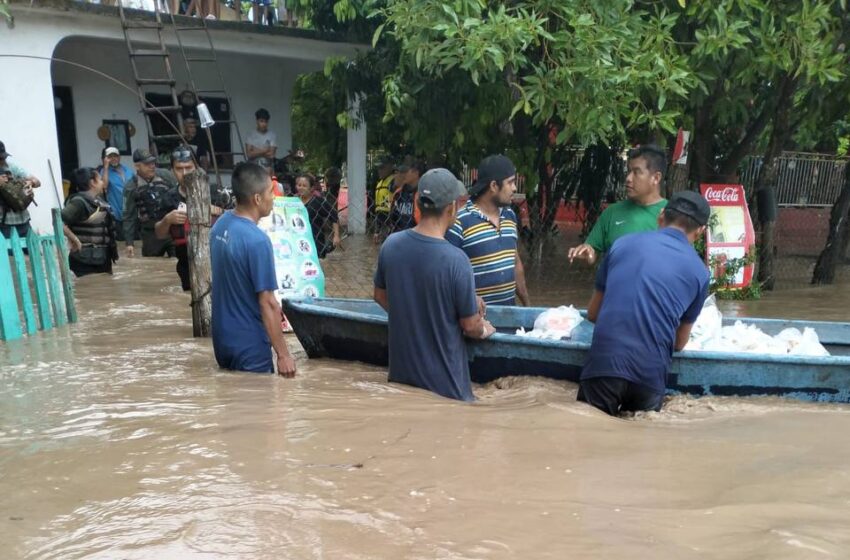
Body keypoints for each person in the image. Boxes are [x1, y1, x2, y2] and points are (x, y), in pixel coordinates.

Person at [577, 191, 711, 416]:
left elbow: (593, 313)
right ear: (700, 231)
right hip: (649, 376)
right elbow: (679, 343)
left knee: (589, 431)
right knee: (640, 435)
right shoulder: (700, 272)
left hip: (605, 366)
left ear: (661, 216)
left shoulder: (621, 245)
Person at [374, 168, 496, 402]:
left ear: (417, 202)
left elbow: (380, 295)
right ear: (452, 208)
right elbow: (470, 325)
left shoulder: (391, 245)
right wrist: (484, 328)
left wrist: (414, 317)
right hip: (448, 391)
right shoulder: (457, 260)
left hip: (402, 382)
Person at [210, 162, 297, 376]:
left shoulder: (219, 226)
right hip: (250, 345)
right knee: (259, 396)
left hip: (222, 342)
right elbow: (268, 303)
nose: (273, 197)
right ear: (257, 199)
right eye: (270, 192)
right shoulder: (258, 241)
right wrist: (283, 355)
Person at [447, 154, 530, 306]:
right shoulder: (460, 222)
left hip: (509, 315)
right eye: (510, 182)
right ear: (493, 186)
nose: (514, 188)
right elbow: (448, 275)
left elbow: (515, 261)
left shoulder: (510, 215)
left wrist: (527, 307)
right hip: (476, 318)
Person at [568, 144, 669, 265]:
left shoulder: (672, 216)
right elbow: (592, 251)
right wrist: (586, 253)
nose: (628, 178)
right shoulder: (612, 212)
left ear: (656, 178)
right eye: (629, 171)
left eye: (636, 172)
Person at [154, 146, 228, 291]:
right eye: (179, 169)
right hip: (187, 266)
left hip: (218, 264)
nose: (184, 173)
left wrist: (218, 212)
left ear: (197, 168)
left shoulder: (215, 193)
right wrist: (167, 220)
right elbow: (159, 234)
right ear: (172, 170)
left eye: (188, 168)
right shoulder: (169, 198)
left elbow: (237, 220)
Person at [61, 167, 118, 277]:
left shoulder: (98, 201)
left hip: (102, 259)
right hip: (84, 261)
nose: (102, 182)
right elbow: (58, 221)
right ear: (92, 183)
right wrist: (74, 239)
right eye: (100, 179)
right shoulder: (78, 202)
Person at [122, 149, 177, 258]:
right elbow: (128, 215)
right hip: (150, 233)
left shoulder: (165, 175)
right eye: (147, 164)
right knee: (152, 262)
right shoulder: (130, 187)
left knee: (179, 260)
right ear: (137, 166)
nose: (152, 166)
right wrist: (129, 243)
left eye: (153, 162)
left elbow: (179, 194)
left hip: (172, 229)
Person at [0, 140, 41, 239]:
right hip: (4, 222)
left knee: (31, 246)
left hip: (23, 219)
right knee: (9, 248)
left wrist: (31, 183)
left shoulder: (11, 167)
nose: (2, 160)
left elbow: (37, 182)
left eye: (3, 157)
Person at [294, 173, 340, 258]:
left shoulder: (318, 202)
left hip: (316, 241)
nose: (301, 188)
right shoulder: (293, 202)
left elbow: (334, 216)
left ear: (311, 188)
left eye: (304, 186)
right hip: (298, 240)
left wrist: (336, 236)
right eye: (299, 185)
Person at [98, 147, 135, 242]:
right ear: (106, 159)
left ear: (119, 157)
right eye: (110, 156)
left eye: (115, 156)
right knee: (122, 241)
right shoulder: (104, 172)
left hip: (131, 212)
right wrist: (106, 167)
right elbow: (104, 187)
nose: (113, 158)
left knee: (134, 240)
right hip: (117, 214)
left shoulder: (128, 170)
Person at [388, 155, 423, 232]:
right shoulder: (398, 193)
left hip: (418, 234)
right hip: (400, 234)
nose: (402, 175)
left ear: (416, 173)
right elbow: (392, 218)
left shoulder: (423, 194)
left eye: (405, 172)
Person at [372, 157, 395, 243]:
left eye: (382, 168)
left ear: (390, 167)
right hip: (381, 218)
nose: (379, 171)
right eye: (379, 168)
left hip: (391, 218)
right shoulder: (380, 183)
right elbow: (378, 211)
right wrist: (376, 231)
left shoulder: (393, 181)